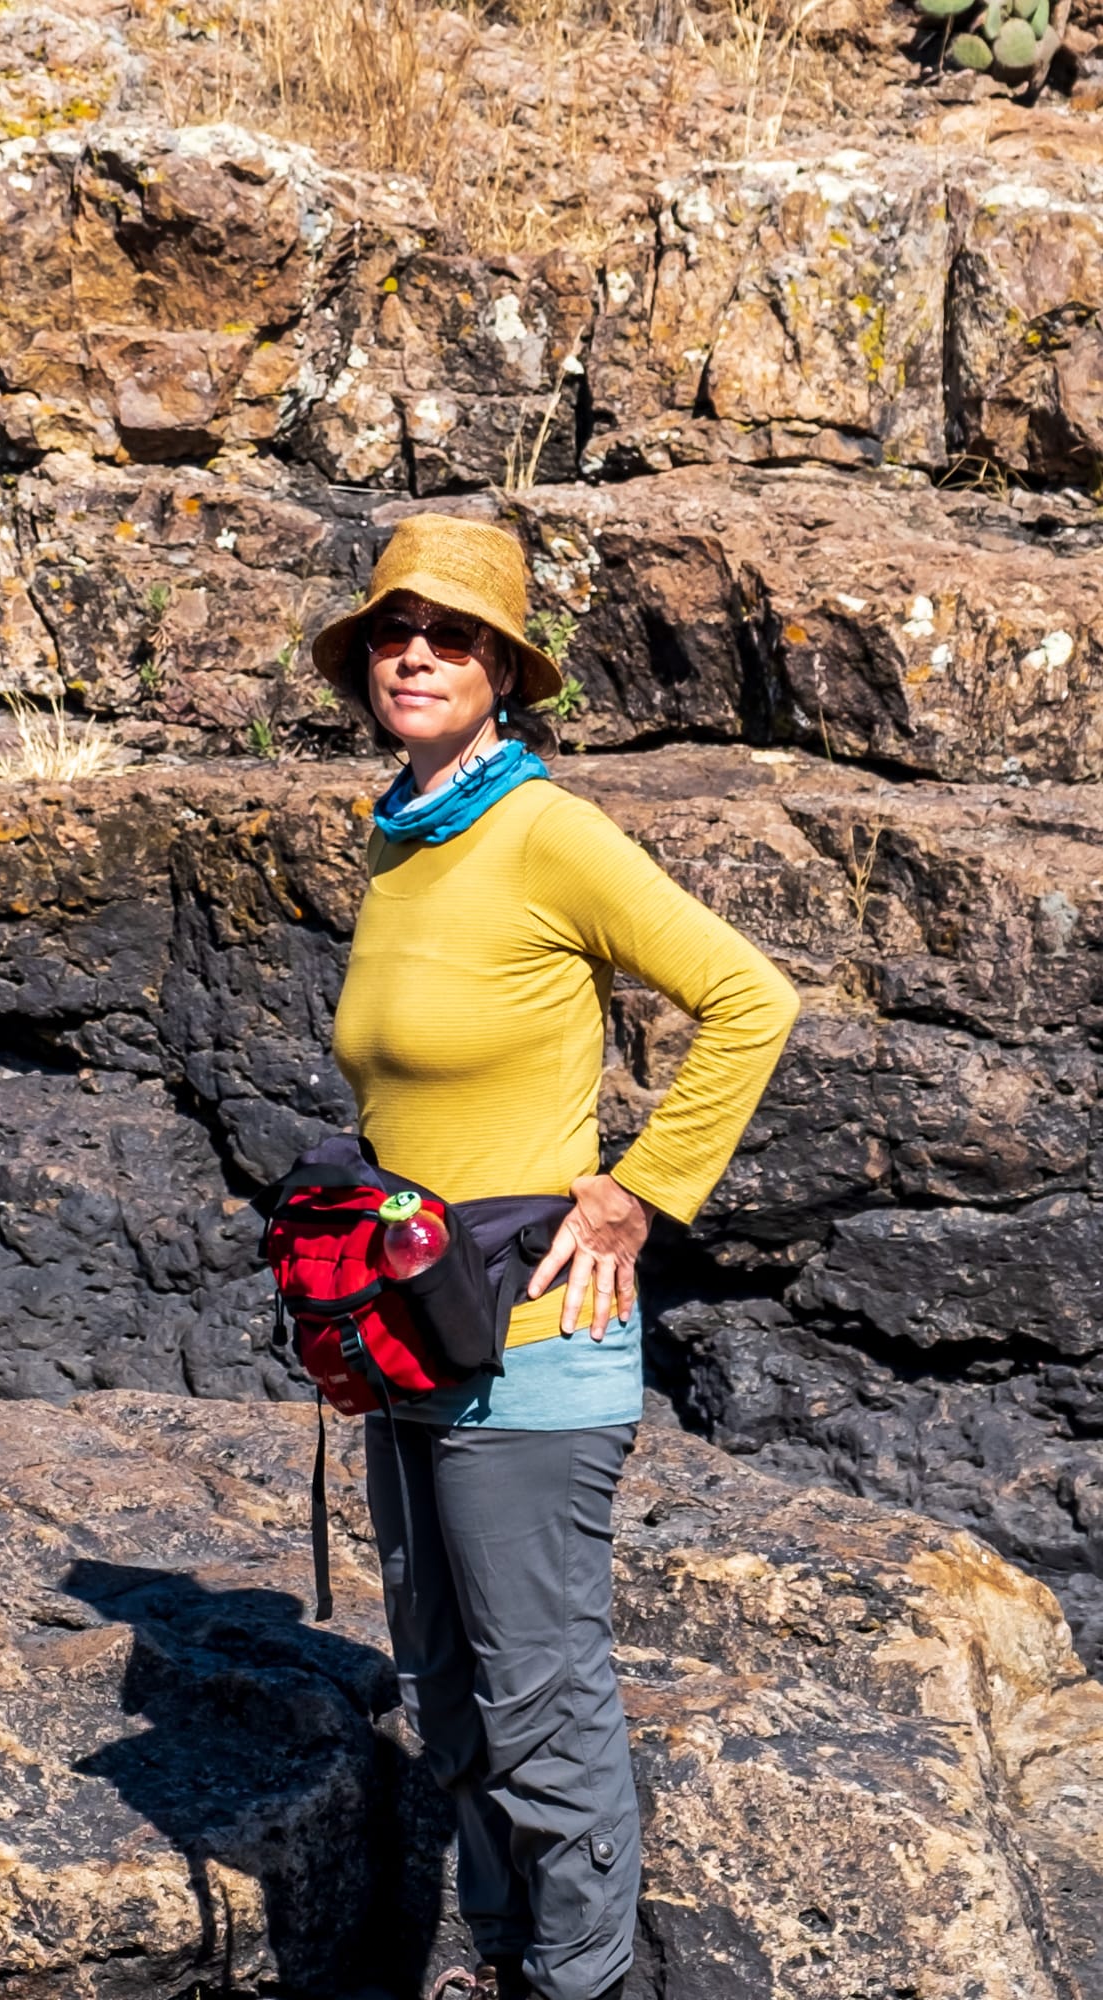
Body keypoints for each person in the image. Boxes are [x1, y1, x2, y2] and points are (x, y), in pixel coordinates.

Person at [309, 515, 800, 2000]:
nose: (418, 652)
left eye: (455, 636)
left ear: (505, 674)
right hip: (407, 1338)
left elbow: (751, 998)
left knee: (541, 1709)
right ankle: (508, 1961)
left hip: (535, 1345)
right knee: (446, 1698)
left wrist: (637, 1195)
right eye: (398, 628)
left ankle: (581, 1986)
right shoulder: (401, 837)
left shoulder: (547, 831)